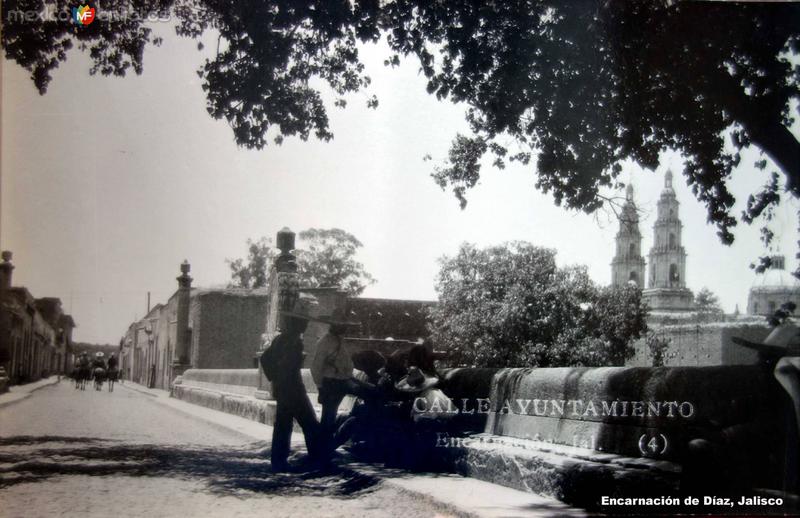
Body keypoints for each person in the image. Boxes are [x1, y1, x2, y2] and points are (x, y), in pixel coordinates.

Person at [260, 294, 324, 472]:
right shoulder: (295, 342)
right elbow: (288, 365)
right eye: (303, 322)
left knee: (283, 425)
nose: (306, 325)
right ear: (297, 323)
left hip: (283, 389)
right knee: (310, 423)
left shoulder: (280, 339)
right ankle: (317, 459)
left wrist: (275, 378)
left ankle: (278, 461)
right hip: (294, 389)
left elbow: (265, 358)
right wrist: (285, 373)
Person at [311, 311, 378, 455]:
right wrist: (320, 387)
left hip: (343, 380)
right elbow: (316, 367)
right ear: (335, 326)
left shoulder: (339, 340)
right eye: (342, 326)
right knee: (328, 416)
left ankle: (326, 446)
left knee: (368, 394)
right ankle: (322, 449)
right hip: (331, 382)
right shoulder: (325, 342)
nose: (345, 328)